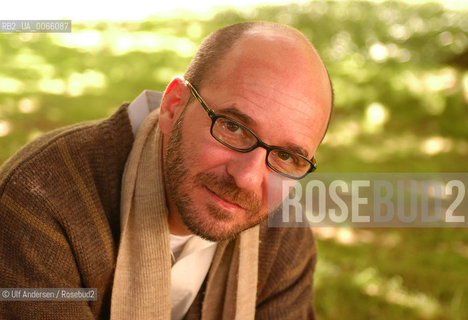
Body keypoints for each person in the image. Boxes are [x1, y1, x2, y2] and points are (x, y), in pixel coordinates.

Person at [0, 21, 333, 319]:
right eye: (233, 127)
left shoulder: (281, 232)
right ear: (174, 107)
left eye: (287, 157)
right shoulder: (41, 200)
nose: (247, 178)